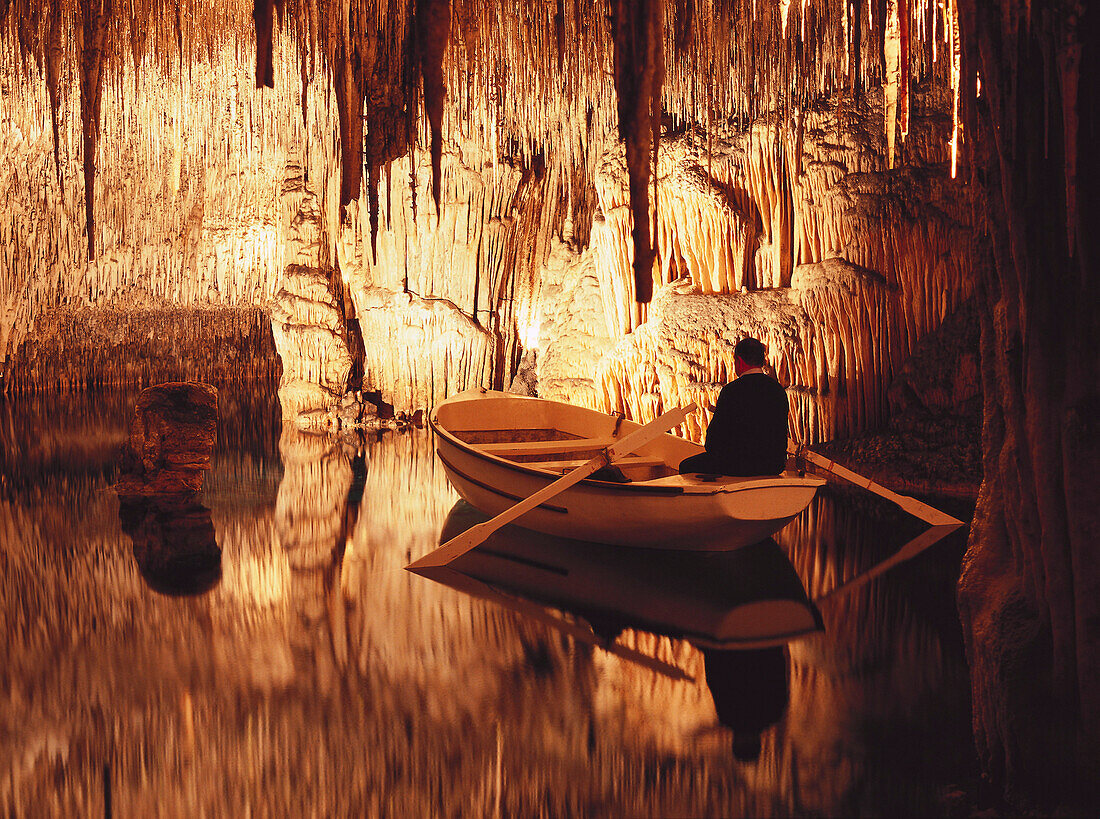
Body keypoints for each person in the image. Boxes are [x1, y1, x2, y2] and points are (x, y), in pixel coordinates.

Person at [679, 337, 789, 477]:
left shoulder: (732, 391)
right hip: (773, 464)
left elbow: (713, 441)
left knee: (686, 466)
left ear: (739, 361)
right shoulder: (778, 390)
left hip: (738, 464)